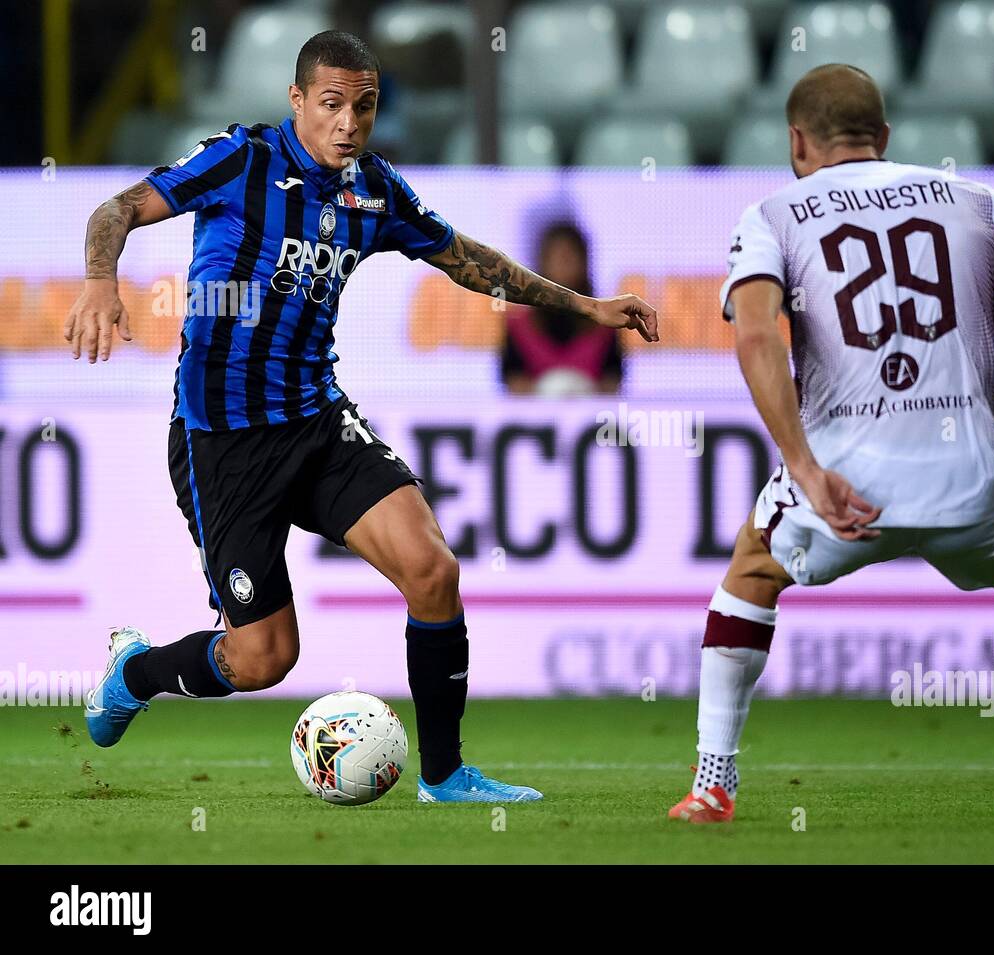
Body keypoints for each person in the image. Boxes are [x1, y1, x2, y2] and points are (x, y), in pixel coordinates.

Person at [66, 30, 657, 804]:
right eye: (333, 104)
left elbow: (468, 260)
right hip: (223, 439)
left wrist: (581, 305)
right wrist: (101, 280)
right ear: (297, 101)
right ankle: (137, 671)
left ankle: (443, 777)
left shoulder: (373, 191)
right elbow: (118, 208)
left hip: (317, 421)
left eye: (365, 106)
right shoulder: (240, 159)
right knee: (263, 659)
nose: (349, 123)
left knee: (433, 569)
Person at [668, 64, 994, 824]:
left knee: (751, 571)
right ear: (883, 139)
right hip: (972, 484)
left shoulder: (772, 217)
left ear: (797, 143)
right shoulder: (979, 202)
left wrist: (802, 467)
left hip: (846, 484)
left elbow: (756, 336)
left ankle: (714, 782)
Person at [501, 222, 622, 395]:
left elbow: (613, 381)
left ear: (584, 263)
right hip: (536, 420)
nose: (563, 266)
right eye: (557, 258)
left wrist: (584, 392)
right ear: (542, 263)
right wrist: (547, 392)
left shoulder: (606, 323)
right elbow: (512, 380)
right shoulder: (518, 325)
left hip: (591, 418)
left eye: (569, 258)